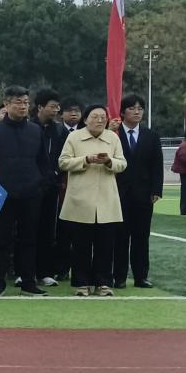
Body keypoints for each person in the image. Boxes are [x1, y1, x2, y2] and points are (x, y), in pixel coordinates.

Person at [0, 85, 50, 297]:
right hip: (1, 193)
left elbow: (43, 162)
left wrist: (41, 186)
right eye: (18, 102)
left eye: (26, 102)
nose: (23, 106)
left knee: (28, 239)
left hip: (31, 193)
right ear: (7, 104)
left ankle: (28, 282)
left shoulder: (36, 131)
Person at [58, 104, 128, 296]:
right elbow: (63, 162)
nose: (99, 120)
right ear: (86, 119)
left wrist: (108, 161)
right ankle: (82, 284)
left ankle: (103, 283)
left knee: (105, 246)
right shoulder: (74, 137)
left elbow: (122, 163)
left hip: (106, 198)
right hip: (80, 199)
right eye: (95, 117)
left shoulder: (112, 138)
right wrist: (86, 160)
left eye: (103, 117)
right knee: (81, 246)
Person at [112, 95, 163, 288]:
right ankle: (119, 277)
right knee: (120, 237)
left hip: (143, 195)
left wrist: (156, 190)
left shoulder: (151, 136)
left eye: (140, 108)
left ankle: (141, 276)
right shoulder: (113, 135)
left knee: (141, 237)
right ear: (122, 112)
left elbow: (157, 165)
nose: (137, 112)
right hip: (118, 193)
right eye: (132, 108)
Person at [33, 88, 63, 286]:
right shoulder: (28, 127)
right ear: (40, 107)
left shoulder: (59, 131)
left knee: (48, 230)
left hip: (51, 187)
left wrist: (55, 176)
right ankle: (25, 272)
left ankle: (45, 272)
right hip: (30, 187)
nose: (56, 110)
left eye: (57, 107)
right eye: (52, 106)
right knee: (27, 230)